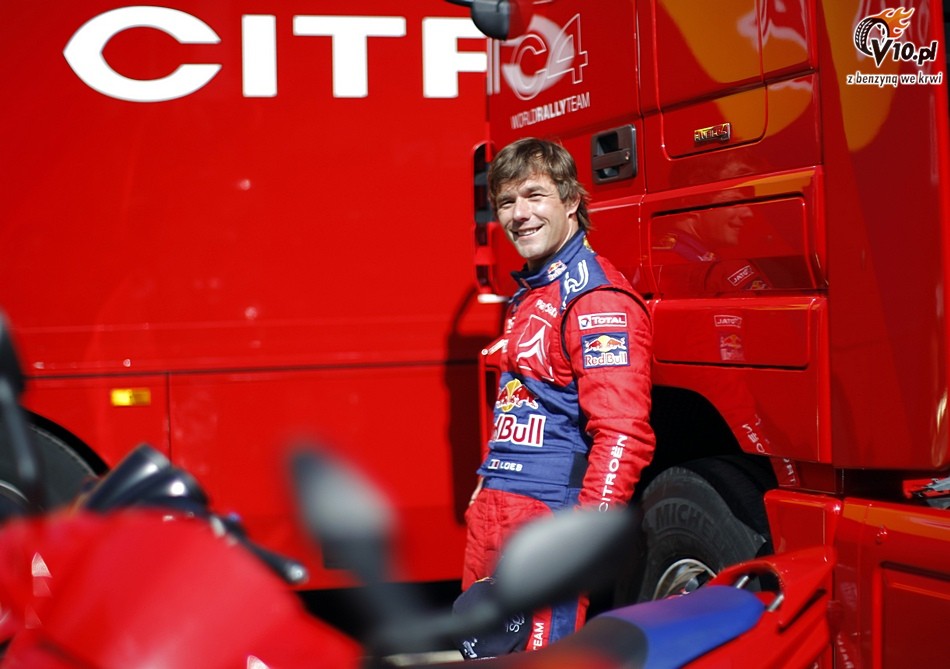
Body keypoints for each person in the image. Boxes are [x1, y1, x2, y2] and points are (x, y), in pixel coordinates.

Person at [460, 137, 655, 655]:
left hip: (549, 521)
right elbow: (519, 398)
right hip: (496, 513)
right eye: (507, 202)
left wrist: (585, 536)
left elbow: (623, 434)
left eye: (534, 196)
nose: (519, 214)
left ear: (570, 200)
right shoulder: (532, 291)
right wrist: (484, 482)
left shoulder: (596, 301)